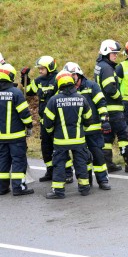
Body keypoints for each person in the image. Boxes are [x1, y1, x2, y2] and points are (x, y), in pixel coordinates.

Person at [94, 39, 128, 173]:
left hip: (105, 108)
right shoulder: (107, 68)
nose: (116, 56)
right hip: (114, 109)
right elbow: (110, 88)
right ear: (106, 53)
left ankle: (108, 163)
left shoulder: (100, 66)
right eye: (113, 53)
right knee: (125, 136)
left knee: (107, 138)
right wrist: (119, 97)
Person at [22, 55, 74, 182]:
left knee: (60, 148)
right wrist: (25, 78)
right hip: (44, 121)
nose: (40, 71)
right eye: (39, 68)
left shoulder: (58, 80)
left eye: (42, 69)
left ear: (50, 68)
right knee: (46, 148)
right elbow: (29, 91)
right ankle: (50, 171)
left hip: (56, 121)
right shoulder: (39, 81)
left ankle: (68, 173)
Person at [42, 71, 92, 199]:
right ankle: (84, 187)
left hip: (60, 140)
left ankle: (58, 191)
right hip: (78, 139)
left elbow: (47, 122)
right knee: (80, 163)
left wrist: (50, 132)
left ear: (59, 83)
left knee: (59, 164)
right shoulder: (81, 98)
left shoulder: (54, 100)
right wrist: (82, 130)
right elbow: (89, 118)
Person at [63, 62, 112, 191]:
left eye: (73, 75)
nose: (71, 78)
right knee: (82, 159)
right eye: (68, 75)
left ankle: (103, 180)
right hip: (78, 132)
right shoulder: (67, 91)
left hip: (94, 130)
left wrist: (105, 120)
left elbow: (101, 103)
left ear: (78, 74)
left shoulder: (91, 86)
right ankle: (87, 181)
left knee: (98, 156)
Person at [0, 64, 34, 196]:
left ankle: (2, 188)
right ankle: (18, 187)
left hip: (1, 138)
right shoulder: (16, 93)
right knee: (18, 161)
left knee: (3, 161)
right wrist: (29, 126)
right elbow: (24, 113)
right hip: (16, 137)